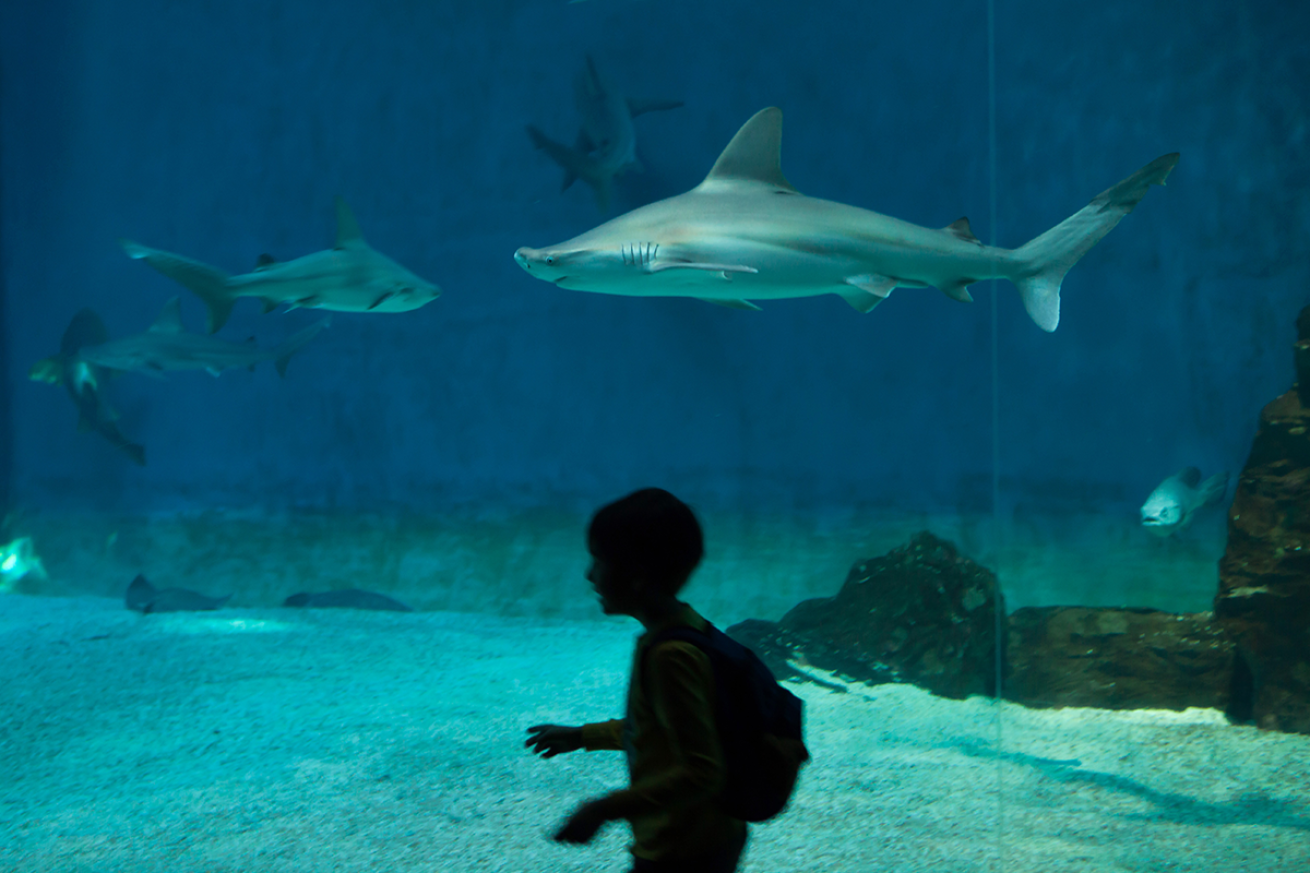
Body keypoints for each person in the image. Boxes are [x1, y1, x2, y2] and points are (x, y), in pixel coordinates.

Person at [525, 487, 748, 873]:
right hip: (709, 836)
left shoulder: (669, 655)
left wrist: (602, 809)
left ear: (637, 577)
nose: (590, 575)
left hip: (682, 849)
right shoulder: (687, 630)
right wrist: (582, 736)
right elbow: (661, 730)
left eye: (598, 560)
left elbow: (701, 771)